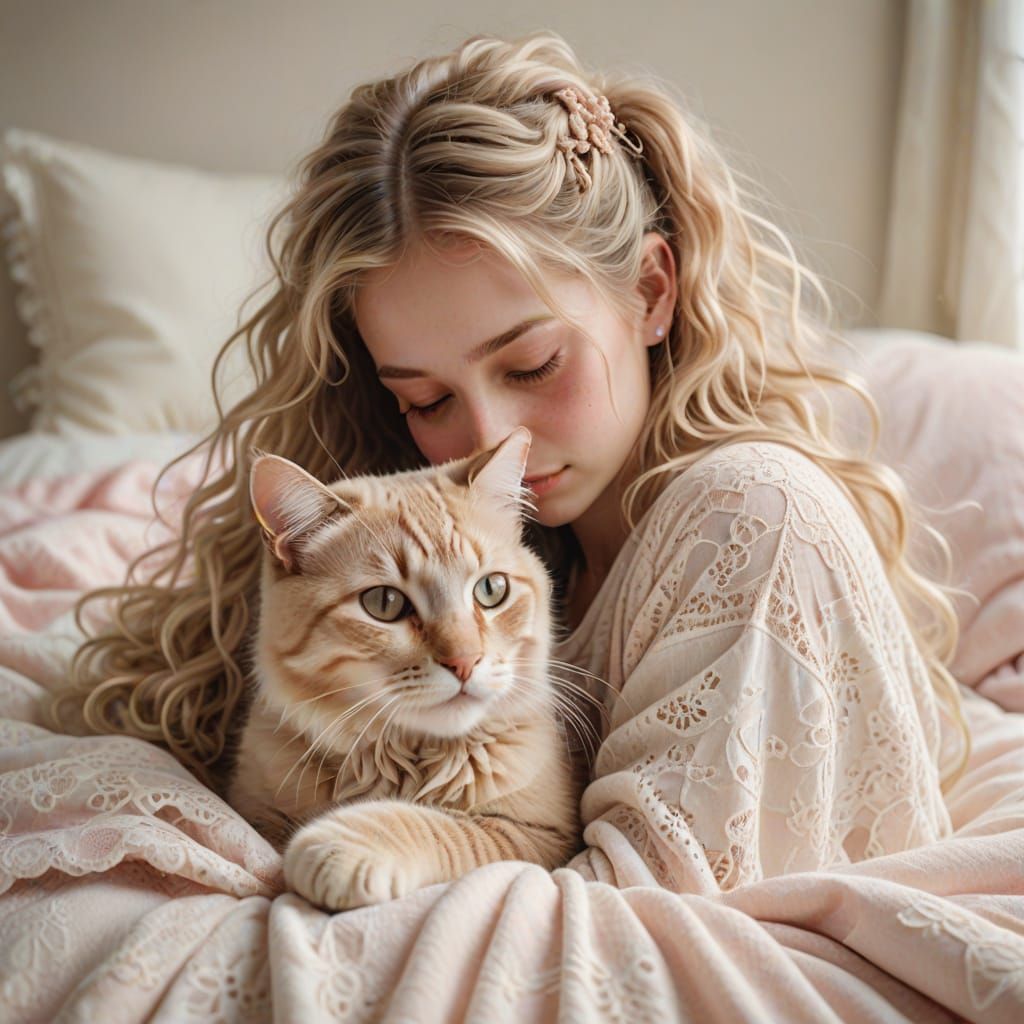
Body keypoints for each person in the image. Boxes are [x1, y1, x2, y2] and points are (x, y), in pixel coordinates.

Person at [52, 30, 970, 892]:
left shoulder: (751, 515)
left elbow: (654, 933)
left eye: (533, 363)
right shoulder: (502, 533)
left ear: (652, 292)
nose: (486, 437)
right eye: (426, 399)